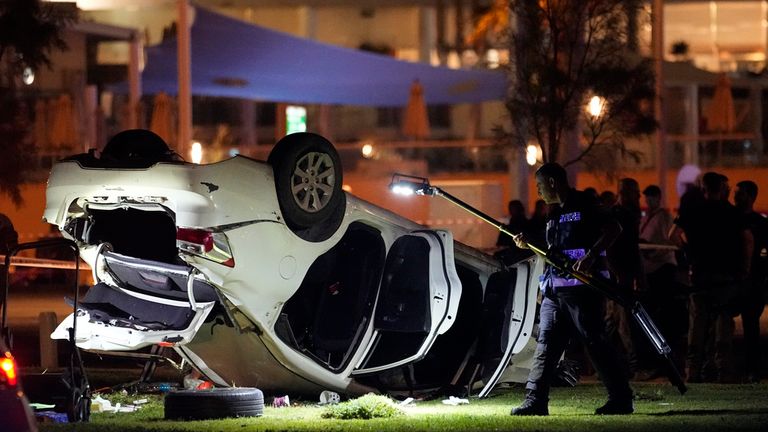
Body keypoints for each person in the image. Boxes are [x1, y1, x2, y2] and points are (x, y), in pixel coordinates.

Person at [510, 162, 633, 416]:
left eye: (540, 185)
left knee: (595, 343)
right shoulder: (552, 212)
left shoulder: (585, 202)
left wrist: (590, 256)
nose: (538, 191)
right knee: (546, 346)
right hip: (554, 291)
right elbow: (554, 252)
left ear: (553, 182)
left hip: (582, 291)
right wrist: (528, 245)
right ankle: (536, 401)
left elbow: (614, 229)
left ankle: (620, 399)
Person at [672, 172, 752, 383]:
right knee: (723, 324)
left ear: (702, 187)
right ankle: (722, 370)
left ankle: (693, 371)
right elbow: (746, 240)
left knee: (697, 324)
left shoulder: (692, 211)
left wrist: (688, 250)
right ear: (721, 188)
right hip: (726, 277)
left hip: (700, 275)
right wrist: (744, 268)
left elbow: (673, 234)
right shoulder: (733, 213)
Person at [638, 185, 685, 375]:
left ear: (658, 197)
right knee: (654, 316)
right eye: (646, 197)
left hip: (662, 268)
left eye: (651, 197)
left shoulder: (663, 216)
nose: (648, 200)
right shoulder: (646, 217)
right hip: (650, 269)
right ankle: (657, 361)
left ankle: (667, 362)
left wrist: (653, 253)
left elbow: (668, 241)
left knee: (664, 317)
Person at [605, 178, 645, 377]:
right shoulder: (624, 215)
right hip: (621, 275)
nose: (638, 196)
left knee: (613, 321)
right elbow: (627, 248)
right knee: (624, 323)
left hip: (616, 274)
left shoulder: (618, 214)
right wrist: (631, 275)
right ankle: (633, 366)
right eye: (635, 192)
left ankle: (606, 365)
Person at [734, 180, 767, 383]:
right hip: (732, 279)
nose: (735, 197)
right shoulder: (729, 218)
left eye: (740, 194)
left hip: (752, 281)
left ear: (751, 197)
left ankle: (751, 369)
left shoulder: (761, 224)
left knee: (751, 326)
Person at [494, 200, 531, 264]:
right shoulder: (508, 227)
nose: (512, 211)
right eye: (511, 208)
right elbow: (500, 245)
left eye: (514, 208)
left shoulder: (528, 225)